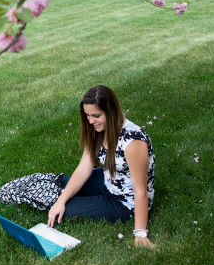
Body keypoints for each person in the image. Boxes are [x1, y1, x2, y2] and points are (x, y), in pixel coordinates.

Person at [46, 85, 156, 249]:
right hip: (107, 178)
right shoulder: (98, 128)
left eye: (96, 115)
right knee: (58, 185)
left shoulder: (133, 141)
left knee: (65, 210)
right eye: (87, 115)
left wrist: (140, 233)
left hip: (125, 202)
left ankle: (66, 201)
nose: (90, 121)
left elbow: (140, 191)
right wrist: (61, 200)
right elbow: (84, 168)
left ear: (111, 112)